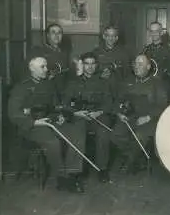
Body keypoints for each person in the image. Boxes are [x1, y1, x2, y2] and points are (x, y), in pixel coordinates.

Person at [7, 56, 86, 193]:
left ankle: (73, 173)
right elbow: (13, 113)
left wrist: (60, 115)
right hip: (33, 126)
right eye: (42, 67)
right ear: (32, 69)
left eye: (46, 66)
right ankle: (62, 178)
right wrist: (34, 122)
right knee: (53, 142)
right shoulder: (21, 87)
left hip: (50, 121)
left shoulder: (49, 85)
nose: (46, 69)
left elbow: (55, 106)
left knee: (76, 134)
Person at [111, 54, 169, 174]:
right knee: (115, 135)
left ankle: (129, 161)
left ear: (148, 67)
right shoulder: (128, 81)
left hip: (151, 119)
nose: (136, 67)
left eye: (140, 64)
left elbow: (163, 105)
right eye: (135, 64)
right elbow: (118, 100)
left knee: (139, 136)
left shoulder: (157, 83)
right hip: (130, 117)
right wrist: (119, 113)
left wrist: (148, 117)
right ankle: (137, 157)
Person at [62, 52, 113, 183]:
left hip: (98, 116)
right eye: (86, 64)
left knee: (104, 133)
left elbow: (109, 103)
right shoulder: (73, 83)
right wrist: (76, 112)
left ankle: (103, 169)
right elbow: (64, 104)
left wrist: (99, 112)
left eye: (92, 64)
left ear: (96, 66)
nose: (90, 67)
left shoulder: (103, 83)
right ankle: (75, 172)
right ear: (82, 65)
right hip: (80, 116)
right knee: (77, 134)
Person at [142, 22, 170, 102]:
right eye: (152, 31)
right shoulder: (146, 50)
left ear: (161, 32)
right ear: (149, 33)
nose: (154, 34)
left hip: (163, 91)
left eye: (156, 31)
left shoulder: (168, 51)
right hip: (148, 90)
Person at [30, 23, 72, 98]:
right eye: (53, 32)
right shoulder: (39, 51)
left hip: (61, 91)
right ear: (48, 35)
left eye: (59, 33)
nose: (56, 35)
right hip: (46, 91)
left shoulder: (64, 53)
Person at [92, 25, 132, 97]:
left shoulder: (124, 53)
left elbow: (127, 74)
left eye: (113, 36)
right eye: (108, 35)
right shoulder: (96, 52)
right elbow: (91, 72)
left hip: (118, 91)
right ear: (104, 36)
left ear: (117, 38)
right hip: (100, 90)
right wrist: (100, 76)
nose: (111, 38)